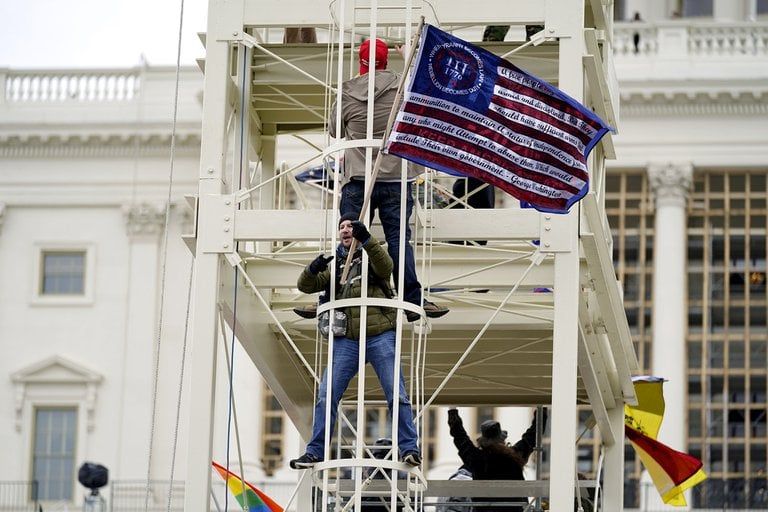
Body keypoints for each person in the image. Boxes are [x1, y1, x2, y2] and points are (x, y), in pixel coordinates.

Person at [289, 215, 421, 469]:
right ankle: (315, 451)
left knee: (397, 394)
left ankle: (409, 448)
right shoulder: (337, 264)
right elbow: (305, 285)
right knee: (327, 395)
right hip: (347, 339)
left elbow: (386, 268)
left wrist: (369, 241)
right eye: (342, 227)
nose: (345, 230)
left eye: (350, 226)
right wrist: (313, 268)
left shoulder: (371, 256)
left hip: (380, 333)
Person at [331, 38, 449, 322]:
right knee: (399, 241)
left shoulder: (347, 92)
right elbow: (430, 98)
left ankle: (333, 296)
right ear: (387, 61)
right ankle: (411, 299)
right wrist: (411, 55)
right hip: (398, 177)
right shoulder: (404, 87)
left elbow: (335, 130)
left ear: (361, 63)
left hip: (358, 178)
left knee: (349, 239)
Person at [447, 408, 547, 512]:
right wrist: (541, 414)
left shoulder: (477, 458)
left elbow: (460, 437)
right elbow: (533, 435)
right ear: (502, 440)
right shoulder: (515, 455)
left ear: (483, 441)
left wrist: (452, 412)